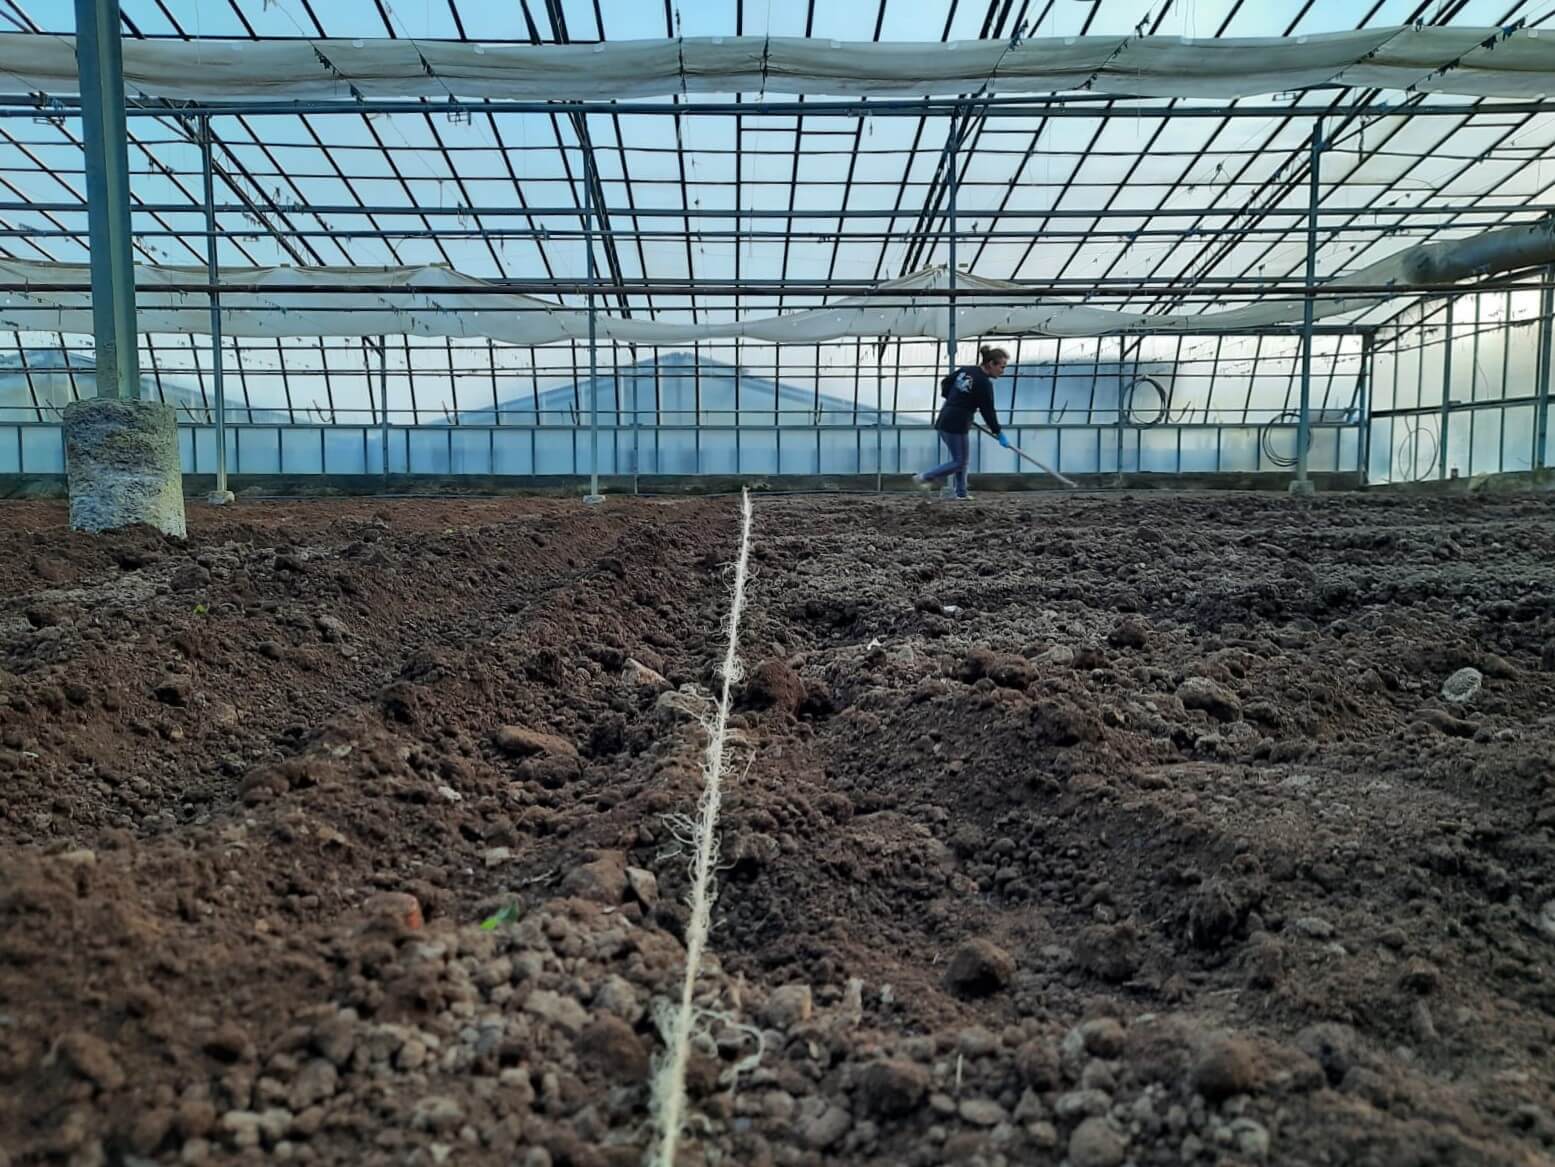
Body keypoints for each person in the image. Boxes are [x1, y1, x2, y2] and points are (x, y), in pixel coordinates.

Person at [913, 345, 1011, 500]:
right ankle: (925, 477)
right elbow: (988, 411)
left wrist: (954, 399)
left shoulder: (966, 370)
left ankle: (961, 492)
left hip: (947, 417)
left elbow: (945, 383)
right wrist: (998, 432)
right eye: (1002, 367)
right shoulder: (984, 384)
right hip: (956, 423)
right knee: (960, 461)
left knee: (962, 460)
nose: (1002, 371)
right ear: (991, 364)